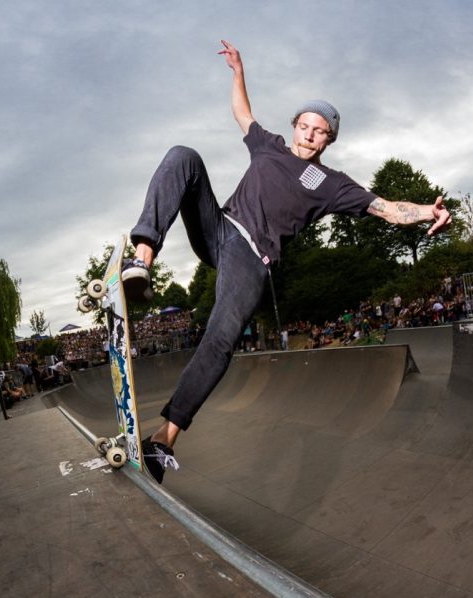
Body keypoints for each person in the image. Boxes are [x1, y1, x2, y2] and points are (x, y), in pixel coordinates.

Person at [122, 39, 452, 483]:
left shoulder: (332, 184)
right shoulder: (269, 146)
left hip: (250, 260)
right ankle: (142, 259)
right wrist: (238, 72)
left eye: (319, 131)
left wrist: (430, 213)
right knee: (183, 157)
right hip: (218, 229)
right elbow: (243, 114)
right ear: (294, 126)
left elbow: (389, 208)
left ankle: (163, 440)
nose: (308, 135)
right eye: (304, 126)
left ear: (329, 139)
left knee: (219, 340)